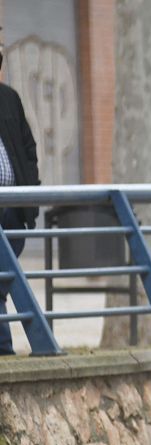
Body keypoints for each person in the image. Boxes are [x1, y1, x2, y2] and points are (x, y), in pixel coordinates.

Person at [0, 45, 40, 356]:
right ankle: (4, 348)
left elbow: (28, 148)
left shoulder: (9, 98)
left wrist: (32, 190)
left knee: (2, 278)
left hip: (13, 209)